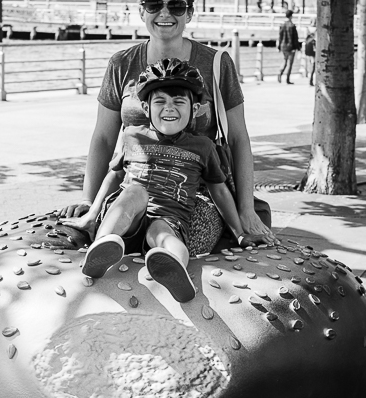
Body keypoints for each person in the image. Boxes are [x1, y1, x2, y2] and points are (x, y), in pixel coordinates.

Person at [59, 0, 275, 255]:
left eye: (176, 5)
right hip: (132, 187)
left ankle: (169, 259)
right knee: (122, 215)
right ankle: (103, 249)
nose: (164, 13)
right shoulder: (122, 63)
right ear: (141, 11)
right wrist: (88, 199)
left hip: (194, 193)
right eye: (154, 4)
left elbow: (238, 139)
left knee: (167, 232)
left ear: (189, 13)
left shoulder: (216, 64)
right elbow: (103, 138)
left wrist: (246, 210)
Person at [67, 60, 252, 303]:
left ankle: (175, 269)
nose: (169, 108)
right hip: (126, 217)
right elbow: (114, 175)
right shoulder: (132, 136)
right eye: (160, 101)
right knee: (136, 192)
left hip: (170, 218)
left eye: (179, 102)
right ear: (146, 107)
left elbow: (219, 190)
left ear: (195, 109)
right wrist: (91, 214)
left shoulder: (203, 147)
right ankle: (102, 248)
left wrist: (239, 232)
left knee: (163, 233)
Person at [277, 9, 299, 83]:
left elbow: (280, 37)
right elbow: (295, 38)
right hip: (291, 47)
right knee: (290, 63)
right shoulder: (292, 26)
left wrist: (279, 47)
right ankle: (287, 79)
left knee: (284, 61)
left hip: (283, 46)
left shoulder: (282, 25)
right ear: (291, 16)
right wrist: (297, 47)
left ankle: (280, 73)